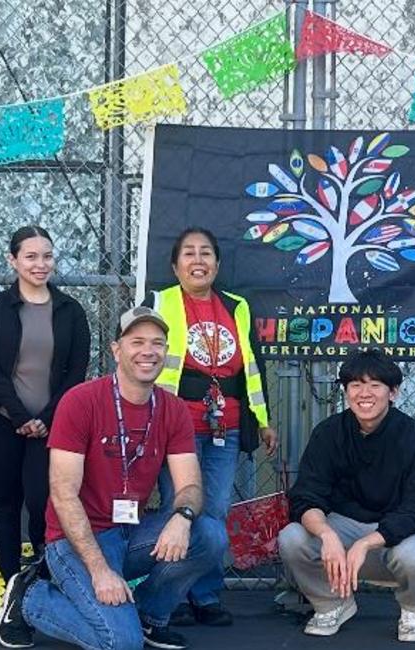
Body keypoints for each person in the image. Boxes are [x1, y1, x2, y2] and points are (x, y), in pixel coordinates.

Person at [0, 307, 230, 650]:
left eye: (157, 343)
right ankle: (31, 599)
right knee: (119, 643)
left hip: (130, 530)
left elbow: (191, 486)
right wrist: (100, 570)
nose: (148, 351)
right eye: (136, 342)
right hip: (76, 539)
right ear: (116, 350)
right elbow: (62, 494)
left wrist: (182, 517)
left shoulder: (173, 409)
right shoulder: (81, 401)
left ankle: (150, 616)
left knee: (208, 534)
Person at [146, 227, 277, 627]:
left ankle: (205, 594)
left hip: (227, 424)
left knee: (215, 509)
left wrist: (264, 420)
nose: (198, 260)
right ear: (175, 264)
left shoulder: (236, 306)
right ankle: (175, 594)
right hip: (176, 426)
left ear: (217, 265)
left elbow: (253, 367)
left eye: (206, 253)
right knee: (179, 507)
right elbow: (141, 359)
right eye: (189, 253)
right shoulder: (160, 301)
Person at [278, 351, 415, 643]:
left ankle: (414, 609)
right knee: (292, 537)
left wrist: (366, 543)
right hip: (342, 534)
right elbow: (306, 496)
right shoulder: (329, 433)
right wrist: (327, 536)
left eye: (375, 385)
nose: (364, 394)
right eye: (355, 385)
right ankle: (332, 604)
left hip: (393, 541)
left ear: (393, 393)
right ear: (345, 392)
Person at [0, 225, 92, 625]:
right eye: (31, 257)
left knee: (44, 504)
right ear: (13, 260)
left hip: (51, 428)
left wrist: (46, 419)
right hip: (0, 424)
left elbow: (76, 370)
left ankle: (42, 585)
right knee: (5, 506)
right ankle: (9, 590)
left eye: (47, 256)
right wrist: (21, 417)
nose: (40, 264)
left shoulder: (71, 311)